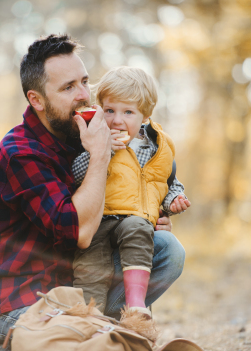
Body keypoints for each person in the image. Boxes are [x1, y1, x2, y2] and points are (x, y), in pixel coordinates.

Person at [0, 34, 186, 351]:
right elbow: (80, 233)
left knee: (165, 248)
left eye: (85, 82)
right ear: (36, 100)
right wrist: (101, 155)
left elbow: (115, 201)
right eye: (69, 87)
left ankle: (74, 340)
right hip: (16, 294)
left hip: (70, 283)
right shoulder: (20, 153)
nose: (84, 95)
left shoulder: (81, 132)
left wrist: (146, 214)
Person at [71, 66, 190, 318]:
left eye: (128, 112)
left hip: (135, 223)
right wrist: (101, 151)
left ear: (144, 117)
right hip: (99, 224)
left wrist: (173, 200)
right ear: (100, 108)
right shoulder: (94, 136)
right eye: (110, 110)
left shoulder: (158, 147)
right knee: (91, 270)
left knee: (138, 236)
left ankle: (134, 308)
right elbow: (77, 174)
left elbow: (167, 181)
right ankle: (89, 324)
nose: (117, 120)